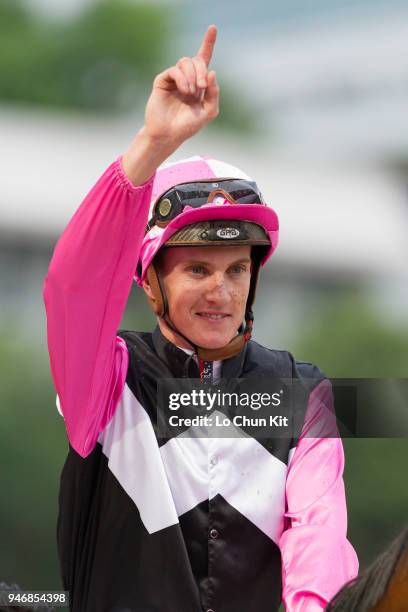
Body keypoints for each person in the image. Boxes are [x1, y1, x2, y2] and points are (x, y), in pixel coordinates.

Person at [43, 25, 358, 612]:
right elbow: (73, 287)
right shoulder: (104, 382)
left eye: (237, 270)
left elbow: (318, 536)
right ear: (149, 280)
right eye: (196, 270)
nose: (222, 291)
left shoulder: (303, 392)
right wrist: (153, 143)